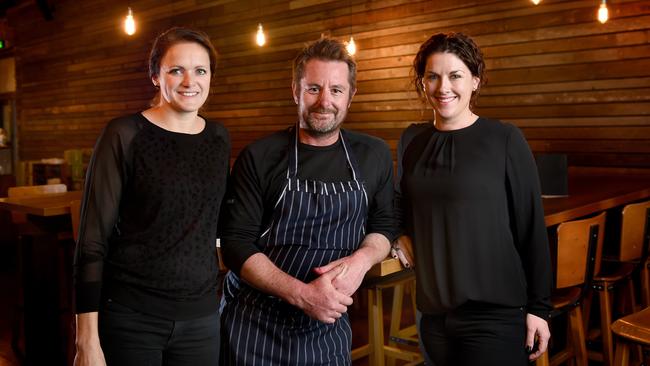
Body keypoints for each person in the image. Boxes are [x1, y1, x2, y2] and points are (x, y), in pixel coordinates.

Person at [219, 38, 396, 365]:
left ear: (351, 95)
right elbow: (235, 244)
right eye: (313, 88)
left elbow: (384, 225)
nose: (324, 101)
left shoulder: (373, 155)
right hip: (254, 326)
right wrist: (303, 295)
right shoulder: (260, 156)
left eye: (336, 90)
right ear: (295, 90)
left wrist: (360, 262)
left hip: (327, 329)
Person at [73, 27, 230, 366]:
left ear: (210, 77)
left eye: (200, 70)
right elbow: (91, 242)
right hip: (132, 316)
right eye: (176, 69)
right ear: (156, 76)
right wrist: (86, 340)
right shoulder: (124, 134)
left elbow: (213, 223)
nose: (190, 81)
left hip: (201, 318)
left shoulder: (219, 139)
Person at [393, 32, 552, 365]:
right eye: (432, 76)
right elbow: (400, 204)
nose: (442, 87)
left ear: (475, 81)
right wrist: (398, 235)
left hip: (493, 316)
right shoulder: (411, 140)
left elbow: (531, 228)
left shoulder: (505, 139)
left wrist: (540, 308)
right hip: (433, 316)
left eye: (455, 76)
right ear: (422, 83)